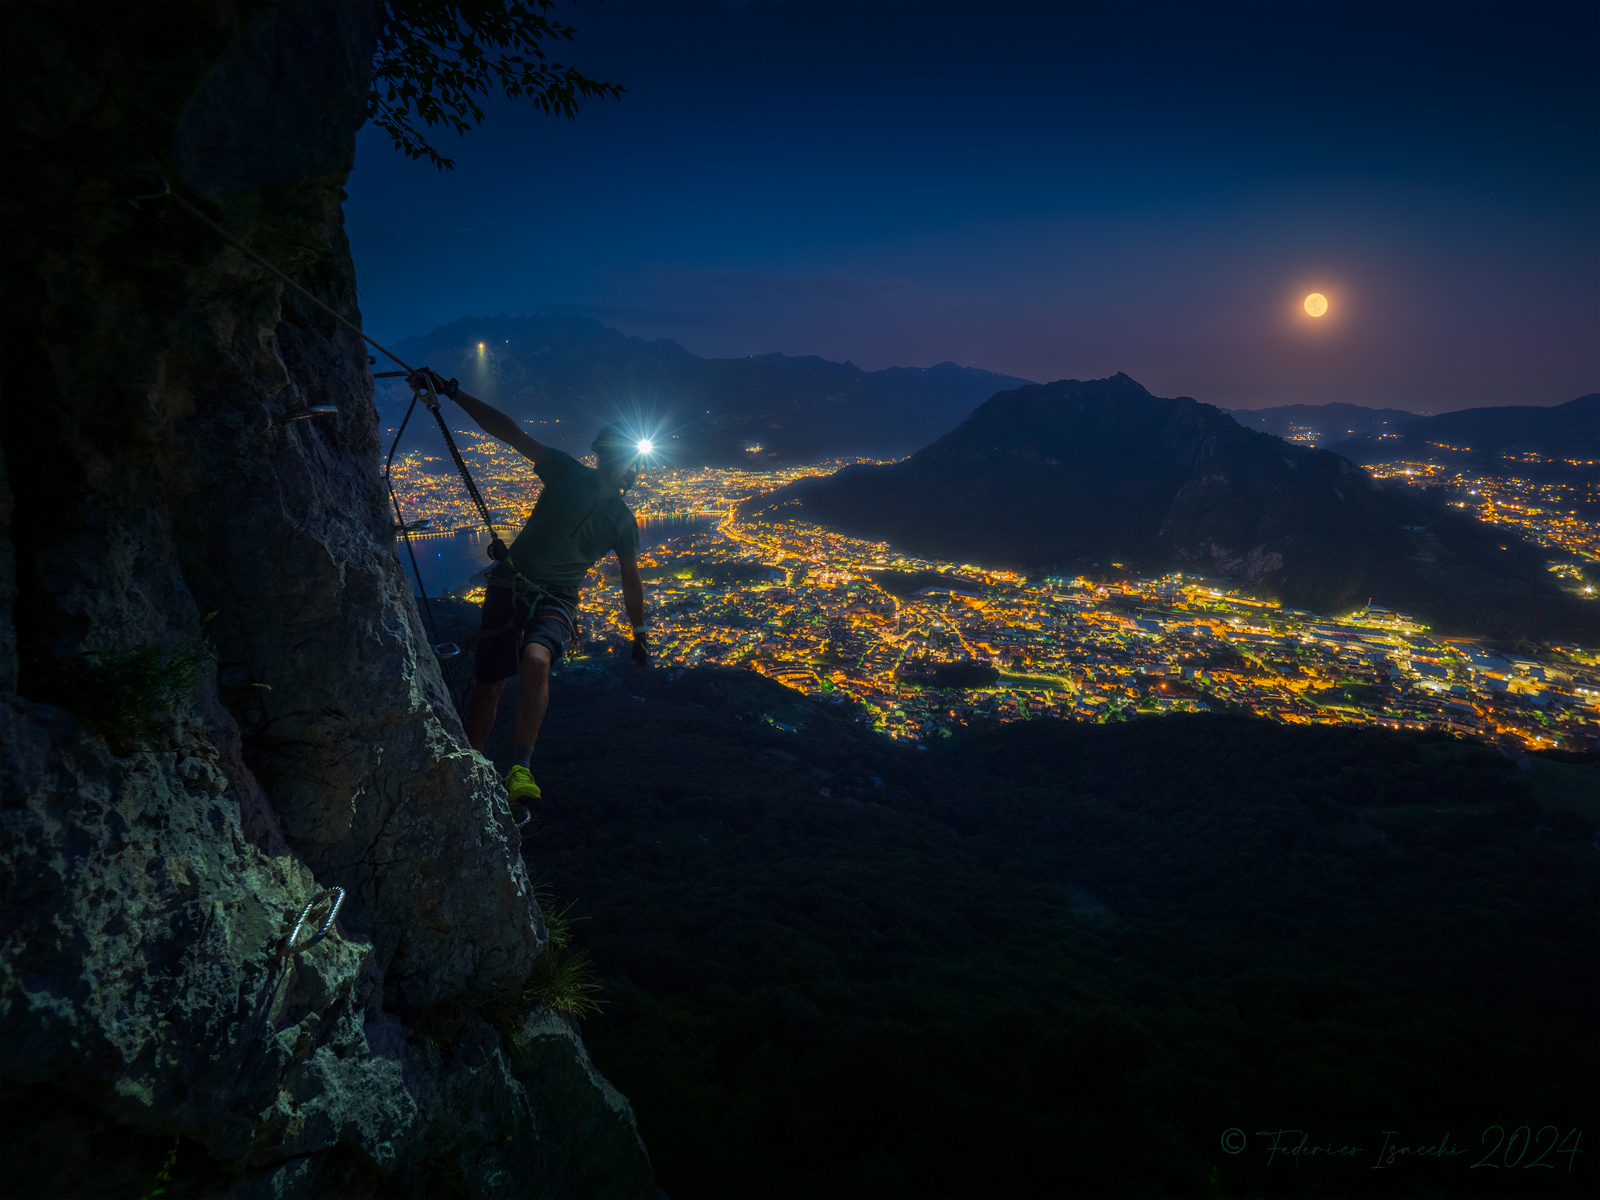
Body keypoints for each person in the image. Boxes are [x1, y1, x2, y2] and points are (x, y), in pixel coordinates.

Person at [406, 367, 649, 810]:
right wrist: (454, 393)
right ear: (610, 457)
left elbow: (632, 578)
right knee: (490, 683)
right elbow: (510, 432)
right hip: (510, 584)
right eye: (631, 461)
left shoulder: (622, 521)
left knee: (535, 662)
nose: (634, 471)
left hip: (553, 598)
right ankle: (473, 763)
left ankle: (521, 765)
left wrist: (639, 633)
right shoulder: (565, 473)